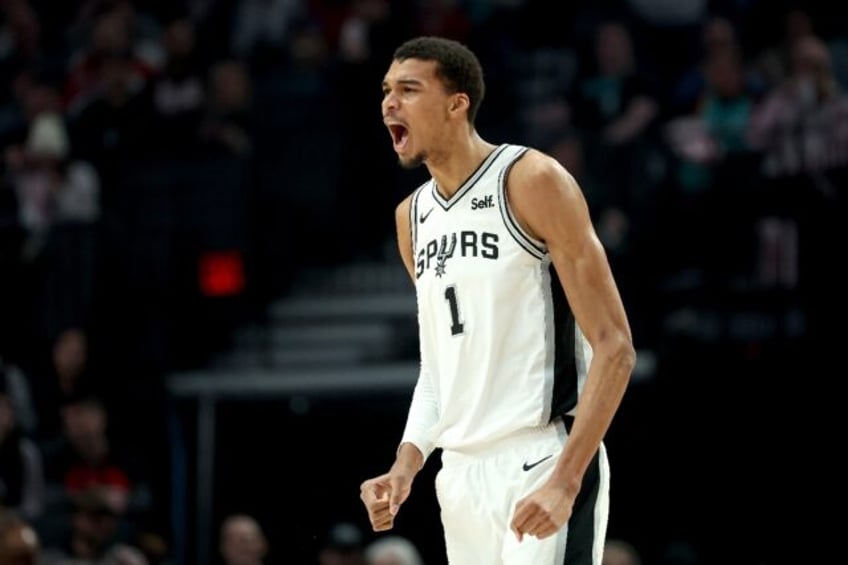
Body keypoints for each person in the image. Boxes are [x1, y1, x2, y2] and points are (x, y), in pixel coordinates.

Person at [359, 36, 636, 564]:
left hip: (541, 454)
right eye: (387, 91)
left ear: (456, 103)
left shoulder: (531, 179)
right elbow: (439, 371)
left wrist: (566, 479)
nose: (389, 104)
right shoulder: (410, 219)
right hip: (460, 476)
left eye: (409, 90)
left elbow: (614, 345)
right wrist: (406, 464)